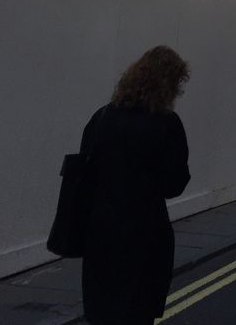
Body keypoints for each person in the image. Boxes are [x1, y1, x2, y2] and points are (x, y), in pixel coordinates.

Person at [80, 46, 191, 325]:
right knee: (137, 313)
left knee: (103, 312)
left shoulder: (101, 118)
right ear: (168, 84)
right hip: (145, 235)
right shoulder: (166, 124)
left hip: (101, 234)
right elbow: (173, 184)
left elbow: (85, 172)